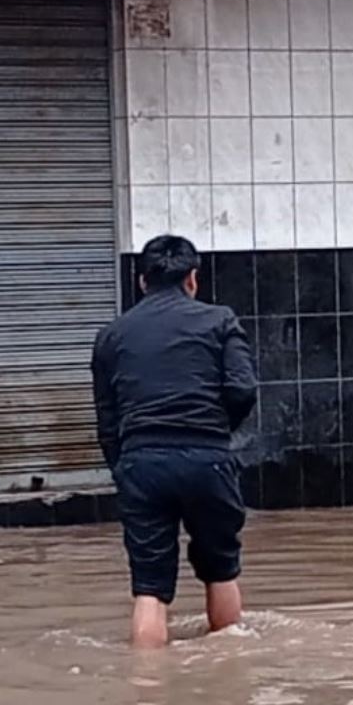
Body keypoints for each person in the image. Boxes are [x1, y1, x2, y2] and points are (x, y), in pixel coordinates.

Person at [92, 235, 257, 648]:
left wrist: (124, 466)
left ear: (142, 282)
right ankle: (229, 675)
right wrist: (214, 434)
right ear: (193, 279)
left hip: (143, 464)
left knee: (149, 587)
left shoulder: (112, 336)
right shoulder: (220, 321)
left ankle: (148, 692)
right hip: (208, 462)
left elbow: (107, 420)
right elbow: (243, 390)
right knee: (221, 570)